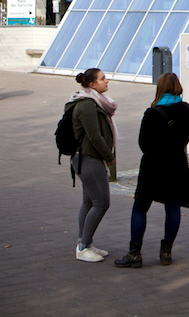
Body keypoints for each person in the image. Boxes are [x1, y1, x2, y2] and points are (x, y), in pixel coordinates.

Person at [115, 72, 189, 269]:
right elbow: (186, 138)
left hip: (153, 167)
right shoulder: (185, 110)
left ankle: (135, 254)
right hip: (176, 165)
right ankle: (166, 252)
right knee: (173, 207)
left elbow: (143, 144)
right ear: (178, 87)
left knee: (140, 207)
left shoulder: (152, 113)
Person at [67, 68, 118, 262]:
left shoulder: (92, 101)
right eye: (102, 78)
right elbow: (94, 136)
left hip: (88, 157)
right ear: (92, 84)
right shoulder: (87, 104)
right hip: (88, 158)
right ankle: (82, 247)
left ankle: (85, 243)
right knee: (101, 202)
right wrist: (108, 156)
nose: (107, 81)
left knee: (89, 202)